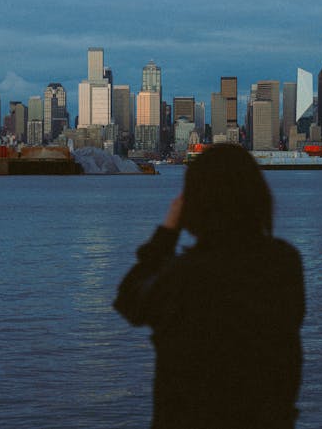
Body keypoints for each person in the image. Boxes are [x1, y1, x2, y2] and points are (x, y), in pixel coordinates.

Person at [113, 144, 305, 429]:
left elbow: (129, 301)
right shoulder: (284, 264)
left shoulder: (184, 276)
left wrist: (167, 232)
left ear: (193, 203)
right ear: (258, 197)